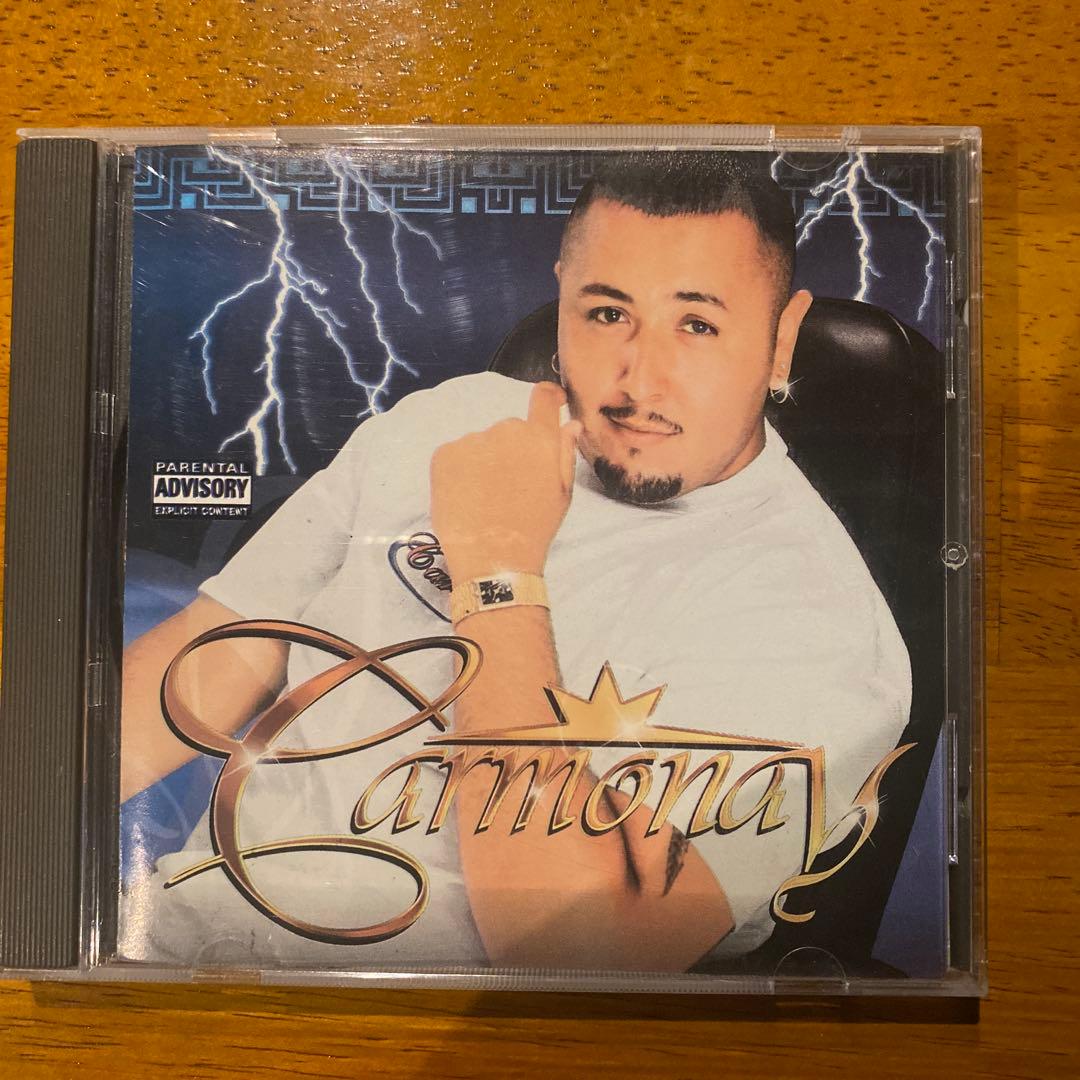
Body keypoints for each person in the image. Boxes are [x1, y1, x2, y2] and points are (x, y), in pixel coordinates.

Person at [118, 154, 911, 973]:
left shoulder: (820, 630)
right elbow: (225, 649)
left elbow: (577, 951)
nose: (640, 380)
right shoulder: (450, 421)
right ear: (562, 297)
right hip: (175, 945)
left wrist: (498, 573)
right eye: (607, 313)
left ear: (781, 339)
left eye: (697, 325)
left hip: (428, 1017)